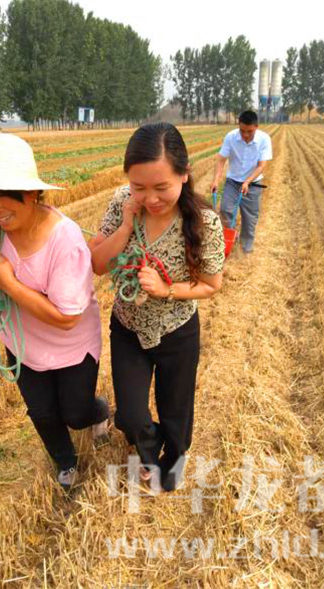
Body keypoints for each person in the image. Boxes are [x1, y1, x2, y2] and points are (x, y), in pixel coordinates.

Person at [0, 133, 109, 492]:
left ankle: (98, 411)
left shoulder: (64, 239)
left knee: (75, 413)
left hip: (71, 346)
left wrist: (9, 283)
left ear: (31, 193)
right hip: (22, 345)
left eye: (3, 195)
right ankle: (65, 461)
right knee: (43, 412)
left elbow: (67, 318)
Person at [89, 123, 224, 492]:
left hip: (177, 331)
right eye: (139, 187)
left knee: (176, 412)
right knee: (131, 417)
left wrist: (166, 290)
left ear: (184, 174)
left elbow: (211, 284)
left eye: (161, 187)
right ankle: (148, 450)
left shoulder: (204, 223)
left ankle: (174, 458)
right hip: (128, 327)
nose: (150, 198)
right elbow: (98, 263)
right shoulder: (122, 202)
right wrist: (125, 225)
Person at [211, 110, 273, 253]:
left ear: (256, 127)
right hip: (232, 182)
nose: (245, 135)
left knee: (250, 217)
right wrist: (215, 180)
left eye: (249, 131)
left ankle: (246, 247)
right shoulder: (231, 137)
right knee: (225, 210)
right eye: (242, 130)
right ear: (238, 125)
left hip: (253, 184)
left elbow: (261, 166)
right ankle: (228, 240)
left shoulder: (264, 139)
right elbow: (221, 160)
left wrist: (247, 182)